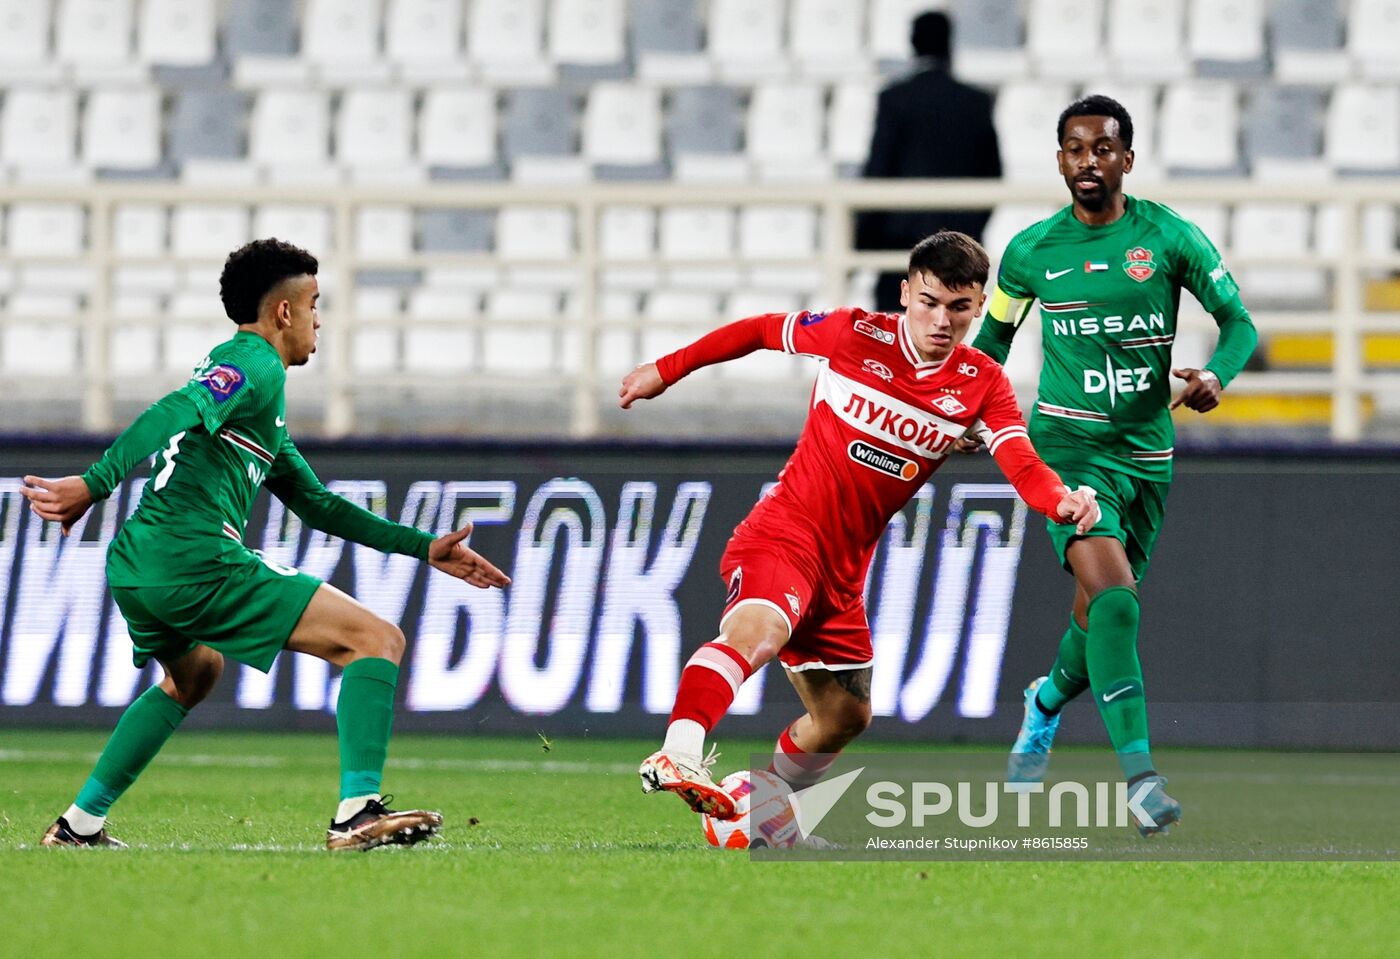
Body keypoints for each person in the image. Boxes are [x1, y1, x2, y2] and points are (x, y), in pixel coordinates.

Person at [21, 239, 511, 851]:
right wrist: (95, 482)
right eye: (314, 304)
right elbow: (173, 408)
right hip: (192, 557)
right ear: (284, 313)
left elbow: (319, 506)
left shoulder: (261, 404)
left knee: (195, 673)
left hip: (140, 566)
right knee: (376, 640)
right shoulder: (254, 363)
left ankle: (78, 825)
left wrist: (424, 547)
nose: (318, 320)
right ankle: (357, 813)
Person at [619, 231, 1101, 823]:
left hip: (844, 572)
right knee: (759, 632)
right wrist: (665, 370)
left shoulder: (982, 384)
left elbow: (1022, 462)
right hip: (784, 534)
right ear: (904, 293)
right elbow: (758, 330)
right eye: (929, 301)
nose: (941, 320)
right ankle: (679, 754)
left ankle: (767, 816)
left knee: (845, 717)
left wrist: (1061, 503)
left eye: (959, 307)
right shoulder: (853, 334)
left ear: (979, 307)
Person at [970, 95, 1258, 835]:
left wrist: (1217, 376)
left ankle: (1042, 704)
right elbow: (994, 343)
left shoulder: (1167, 238)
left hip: (1147, 457)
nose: (1087, 162)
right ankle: (1141, 780)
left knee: (1097, 616)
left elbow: (1239, 323)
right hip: (1067, 451)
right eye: (1074, 149)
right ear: (1059, 158)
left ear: (1127, 159)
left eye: (1103, 149)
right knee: (1120, 602)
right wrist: (966, 409)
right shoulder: (1031, 251)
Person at [860, 10, 1002, 313]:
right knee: (950, 333)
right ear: (950, 44)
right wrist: (970, 230)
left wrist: (865, 239)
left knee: (897, 338)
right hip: (959, 246)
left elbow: (878, 171)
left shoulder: (894, 99)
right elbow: (992, 175)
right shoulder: (975, 102)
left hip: (899, 246)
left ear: (912, 44)